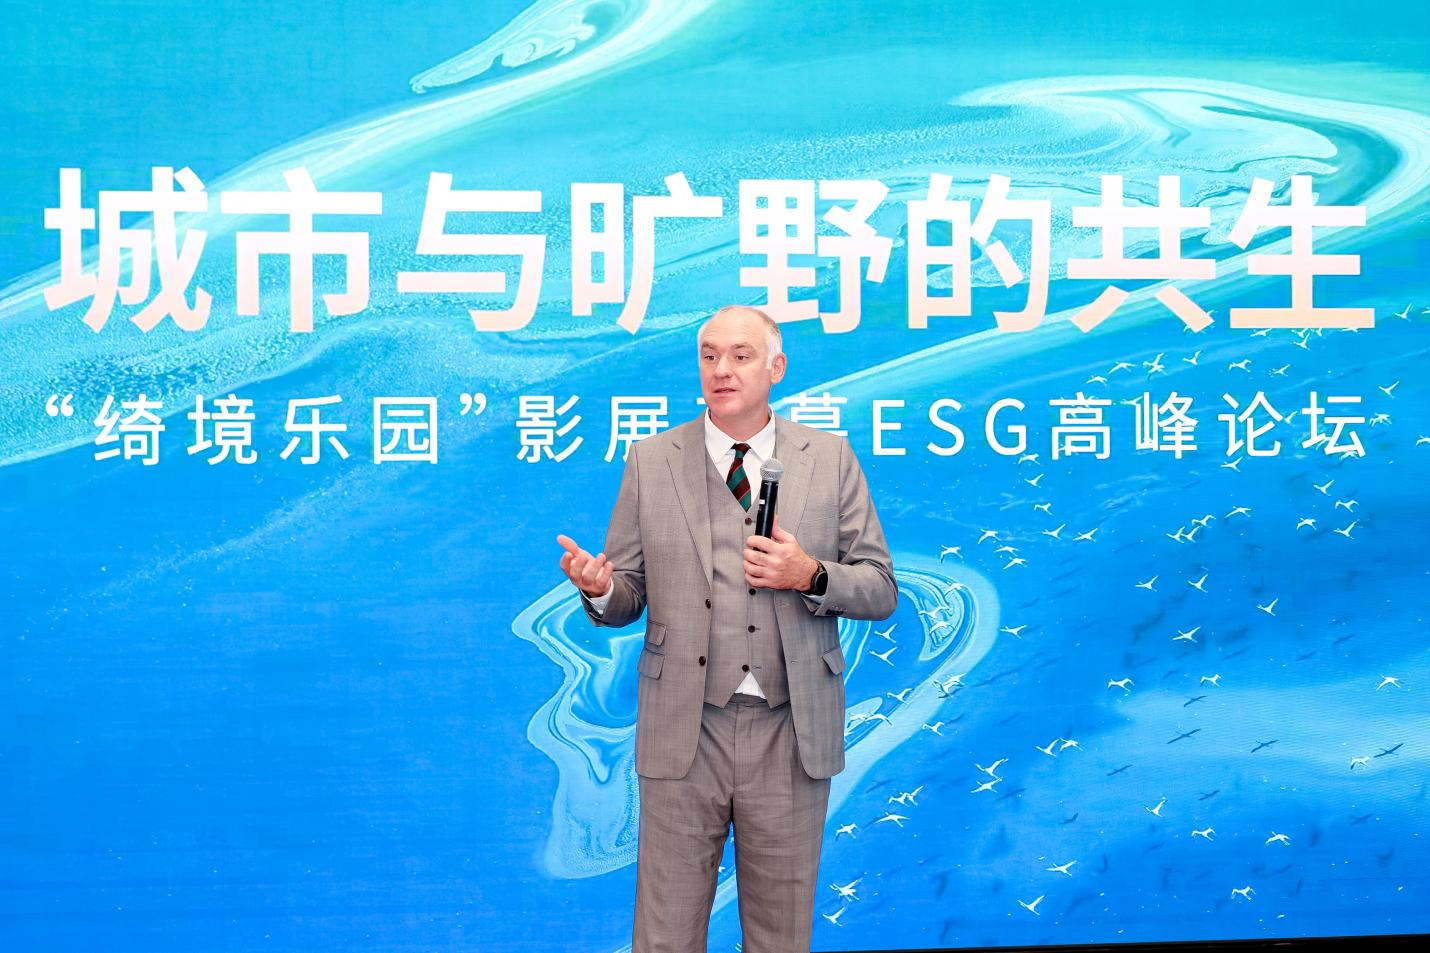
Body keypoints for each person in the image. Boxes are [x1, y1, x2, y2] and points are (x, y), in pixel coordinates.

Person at [556, 305, 897, 952]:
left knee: (779, 937)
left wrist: (809, 574)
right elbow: (629, 593)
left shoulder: (829, 458)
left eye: (741, 355)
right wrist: (599, 590)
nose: (722, 369)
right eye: (709, 355)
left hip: (791, 727)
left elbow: (880, 587)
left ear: (776, 367)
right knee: (665, 935)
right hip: (686, 728)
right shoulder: (652, 460)